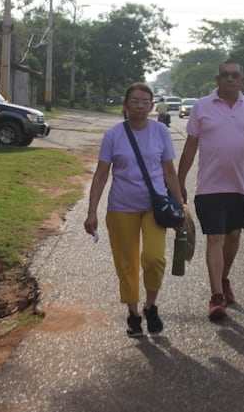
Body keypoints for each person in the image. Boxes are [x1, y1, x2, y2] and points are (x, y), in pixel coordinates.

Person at [178, 59, 244, 321]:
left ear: (242, 80)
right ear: (217, 79)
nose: (230, 79)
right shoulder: (202, 107)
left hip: (239, 186)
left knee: (233, 236)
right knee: (215, 238)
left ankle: (223, 279)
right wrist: (179, 182)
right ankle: (217, 296)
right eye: (225, 75)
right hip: (209, 187)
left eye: (235, 75)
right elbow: (190, 147)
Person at [85, 83, 183, 338]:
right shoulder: (113, 135)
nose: (140, 106)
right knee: (126, 264)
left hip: (155, 207)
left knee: (153, 258)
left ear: (152, 106)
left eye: (145, 101)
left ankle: (150, 306)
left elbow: (169, 172)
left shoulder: (161, 131)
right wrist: (92, 211)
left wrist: (181, 206)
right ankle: (133, 312)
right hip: (121, 208)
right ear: (126, 104)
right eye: (135, 101)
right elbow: (101, 175)